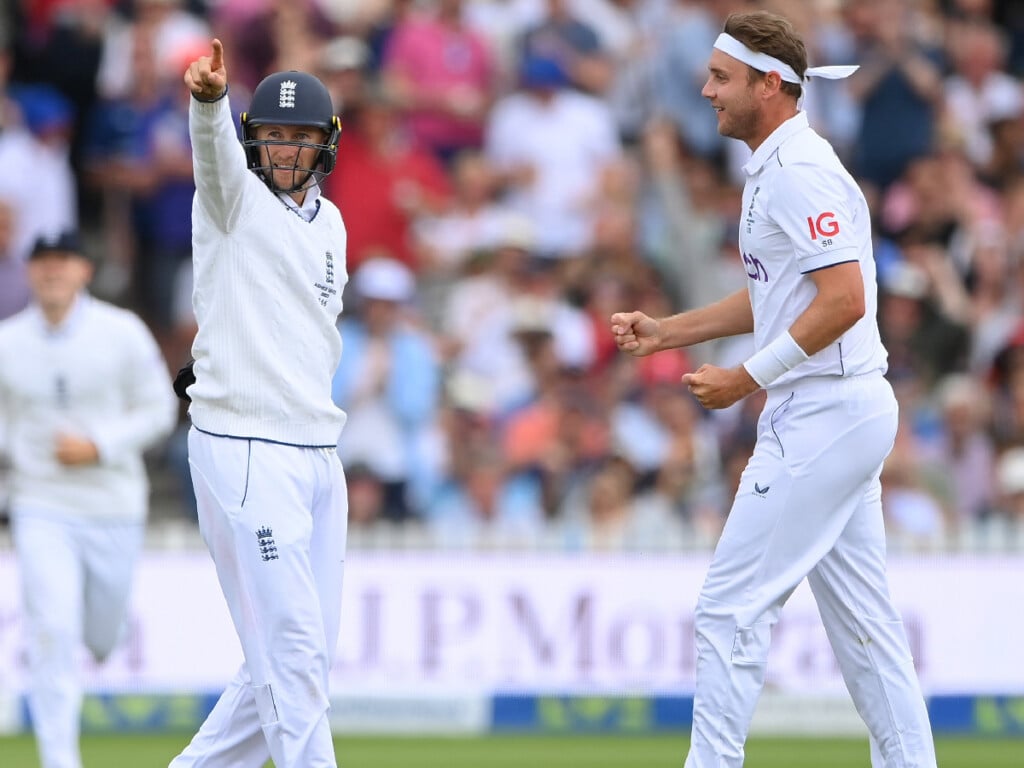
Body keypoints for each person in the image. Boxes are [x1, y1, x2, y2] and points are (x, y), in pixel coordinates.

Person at [610, 11, 938, 767]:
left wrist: (743, 378)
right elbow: (777, 297)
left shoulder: (800, 172)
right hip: (835, 410)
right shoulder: (774, 166)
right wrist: (668, 331)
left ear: (771, 85)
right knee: (866, 633)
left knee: (728, 610)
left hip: (825, 410)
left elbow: (845, 299)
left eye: (721, 79)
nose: (705, 90)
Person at [173, 40, 350, 768]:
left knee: (284, 665)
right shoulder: (229, 197)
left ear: (324, 145)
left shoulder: (331, 223)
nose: (285, 149)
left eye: (300, 137)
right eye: (273, 135)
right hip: (246, 446)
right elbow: (213, 158)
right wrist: (210, 104)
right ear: (253, 138)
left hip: (317, 451)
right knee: (294, 655)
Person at [0, 231, 176, 768]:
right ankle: (60, 760)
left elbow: (159, 410)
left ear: (85, 271)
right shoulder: (7, 340)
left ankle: (104, 631)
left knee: (101, 637)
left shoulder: (121, 333)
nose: (52, 272)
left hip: (113, 503)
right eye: (43, 263)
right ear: (29, 273)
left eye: (63, 262)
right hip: (40, 502)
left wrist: (99, 445)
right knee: (52, 628)